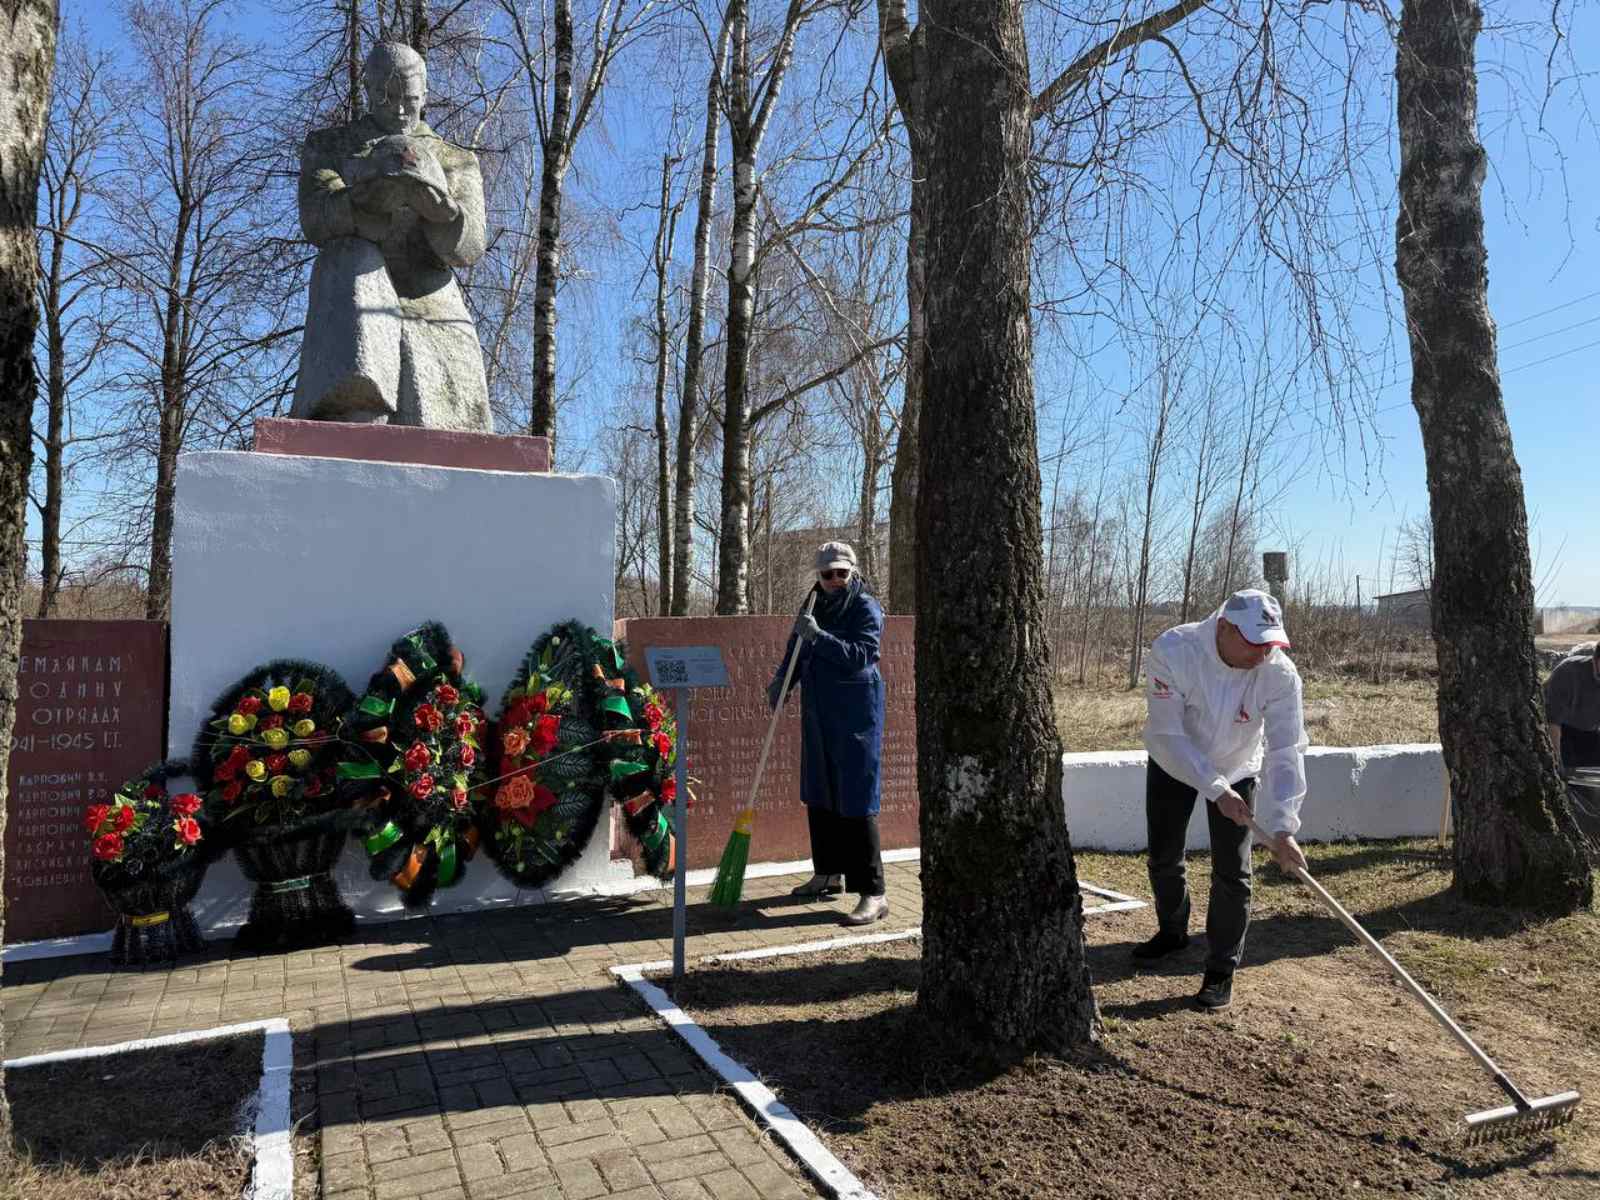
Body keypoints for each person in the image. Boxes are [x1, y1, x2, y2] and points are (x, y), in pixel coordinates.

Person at [293, 42, 493, 431]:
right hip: (353, 285)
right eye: (387, 99)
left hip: (429, 295)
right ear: (367, 90)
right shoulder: (330, 146)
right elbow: (316, 219)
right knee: (352, 257)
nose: (400, 109)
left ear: (425, 94)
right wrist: (362, 199)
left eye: (410, 98)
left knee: (452, 418)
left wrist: (443, 212)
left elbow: (470, 247)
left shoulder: (457, 159)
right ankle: (356, 408)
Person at [1134, 588, 1310, 1011]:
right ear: (1226, 628)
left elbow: (1287, 750)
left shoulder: (1280, 674)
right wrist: (1214, 790)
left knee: (1233, 870)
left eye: (1271, 644)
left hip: (1238, 767)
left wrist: (1283, 826)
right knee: (1164, 853)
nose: (1263, 654)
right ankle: (1173, 930)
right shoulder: (1175, 649)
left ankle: (1221, 968)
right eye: (1255, 643)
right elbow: (1170, 735)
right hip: (1174, 761)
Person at [768, 541, 889, 926]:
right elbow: (796, 648)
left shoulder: (865, 607)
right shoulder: (813, 605)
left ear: (853, 573)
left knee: (856, 798)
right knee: (820, 792)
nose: (835, 580)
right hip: (819, 713)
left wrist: (820, 637)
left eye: (842, 573)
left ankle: (874, 892)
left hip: (856, 717)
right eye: (827, 574)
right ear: (818, 576)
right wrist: (782, 681)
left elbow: (860, 654)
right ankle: (827, 874)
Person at [1544, 641, 1600, 776]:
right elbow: (1552, 721)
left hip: (1589, 731)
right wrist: (1555, 761)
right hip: (1560, 731)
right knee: (1565, 771)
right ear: (1595, 659)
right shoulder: (1569, 672)